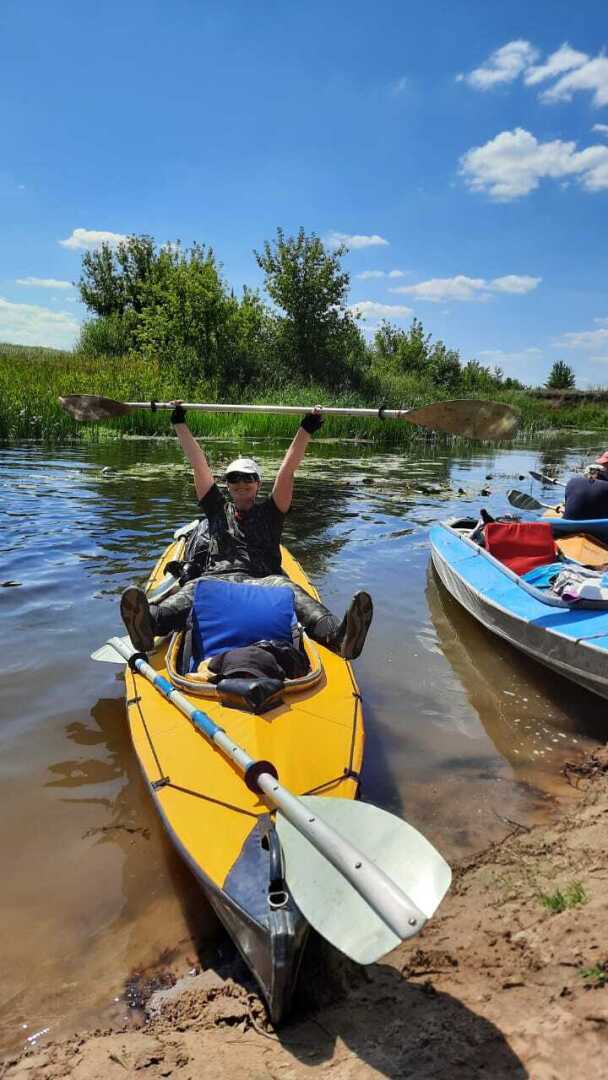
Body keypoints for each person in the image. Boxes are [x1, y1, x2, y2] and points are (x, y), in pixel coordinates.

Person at [121, 403, 373, 660]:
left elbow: (287, 471)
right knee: (193, 590)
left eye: (247, 479)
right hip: (217, 580)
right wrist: (180, 425)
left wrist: (306, 429)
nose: (241, 484)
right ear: (227, 485)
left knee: (292, 591)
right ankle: (149, 623)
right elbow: (199, 465)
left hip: (265, 581)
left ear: (257, 483)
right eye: (234, 479)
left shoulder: (272, 512)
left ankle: (338, 636)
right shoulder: (217, 509)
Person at [564, 451, 608, 520]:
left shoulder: (571, 481)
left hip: (568, 523)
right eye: (604, 464)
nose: (604, 467)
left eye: (605, 464)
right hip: (596, 525)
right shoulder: (605, 486)